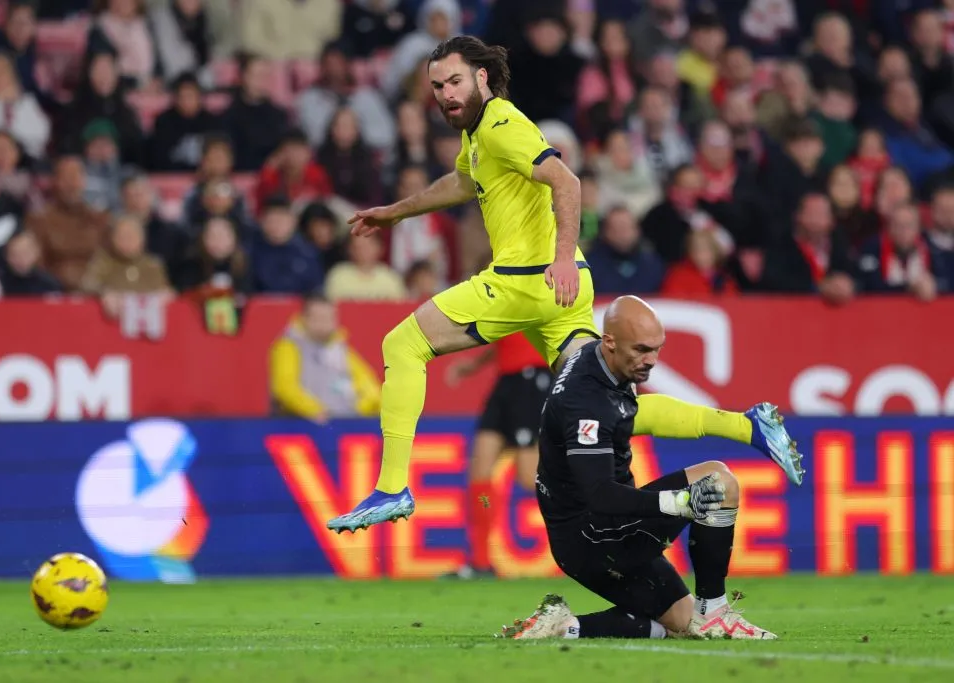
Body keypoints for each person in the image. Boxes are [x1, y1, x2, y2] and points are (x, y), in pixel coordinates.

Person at [326, 36, 596, 533]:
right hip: (564, 287)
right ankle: (735, 428)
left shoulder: (500, 126)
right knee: (602, 398)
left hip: (527, 280)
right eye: (437, 87)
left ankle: (392, 486)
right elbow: (459, 184)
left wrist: (559, 258)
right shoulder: (478, 134)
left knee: (403, 344)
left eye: (454, 81)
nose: (446, 94)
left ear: (481, 77)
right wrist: (395, 213)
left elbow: (567, 181)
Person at [498, 296, 805, 642]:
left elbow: (646, 413)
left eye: (657, 348)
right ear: (610, 342)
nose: (652, 360)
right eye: (642, 349)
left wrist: (739, 427)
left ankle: (566, 626)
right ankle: (716, 613)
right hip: (596, 535)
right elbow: (600, 494)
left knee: (683, 622)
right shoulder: (586, 403)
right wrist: (679, 502)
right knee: (719, 483)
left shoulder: (599, 361)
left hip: (586, 537)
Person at [443, 332, 551, 579]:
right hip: (505, 384)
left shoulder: (544, 307)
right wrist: (474, 365)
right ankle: (481, 562)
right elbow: (504, 335)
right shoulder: (506, 310)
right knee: (480, 473)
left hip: (531, 382)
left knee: (528, 478)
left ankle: (590, 523)